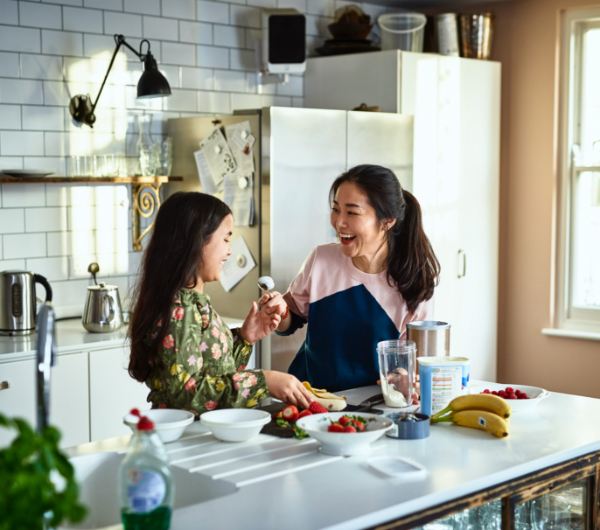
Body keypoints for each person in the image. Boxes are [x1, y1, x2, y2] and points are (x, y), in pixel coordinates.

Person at [128, 192, 313, 416]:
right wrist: (263, 381)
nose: (229, 250)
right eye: (225, 239)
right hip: (188, 439)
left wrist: (245, 337)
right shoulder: (179, 310)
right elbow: (188, 396)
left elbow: (214, 376)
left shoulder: (193, 303)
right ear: (195, 241)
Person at [261, 164, 441, 393]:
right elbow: (291, 318)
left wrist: (405, 377)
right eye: (336, 209)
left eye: (352, 212)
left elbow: (411, 363)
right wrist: (278, 311)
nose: (339, 222)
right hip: (310, 398)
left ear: (387, 220)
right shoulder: (321, 259)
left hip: (372, 404)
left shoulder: (414, 282)